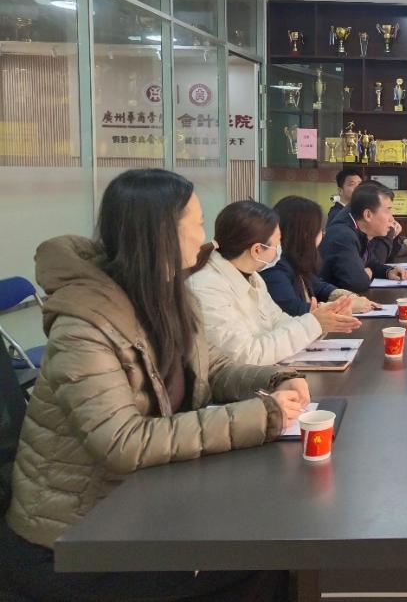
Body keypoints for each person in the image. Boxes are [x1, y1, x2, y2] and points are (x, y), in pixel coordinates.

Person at [1, 169, 302, 602]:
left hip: (141, 505)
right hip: (76, 539)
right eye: (197, 223)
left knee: (272, 536)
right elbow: (122, 442)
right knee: (262, 557)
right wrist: (261, 414)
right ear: (161, 234)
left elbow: (213, 368)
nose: (206, 238)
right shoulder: (85, 324)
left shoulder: (170, 296)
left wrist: (275, 378)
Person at [188, 200, 361, 366]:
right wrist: (313, 324)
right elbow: (247, 355)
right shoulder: (206, 287)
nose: (280, 248)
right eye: (277, 243)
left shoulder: (252, 276)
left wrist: (319, 320)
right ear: (257, 250)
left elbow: (277, 321)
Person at [262, 195, 376, 317]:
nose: (323, 233)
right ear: (305, 234)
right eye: (318, 229)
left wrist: (349, 298)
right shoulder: (275, 267)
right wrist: (346, 306)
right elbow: (293, 310)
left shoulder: (293, 259)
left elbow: (319, 287)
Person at [320, 182, 407, 293]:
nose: (392, 219)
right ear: (368, 215)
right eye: (387, 210)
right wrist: (366, 273)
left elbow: (370, 262)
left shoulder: (359, 230)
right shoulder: (343, 236)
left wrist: (388, 271)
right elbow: (356, 283)